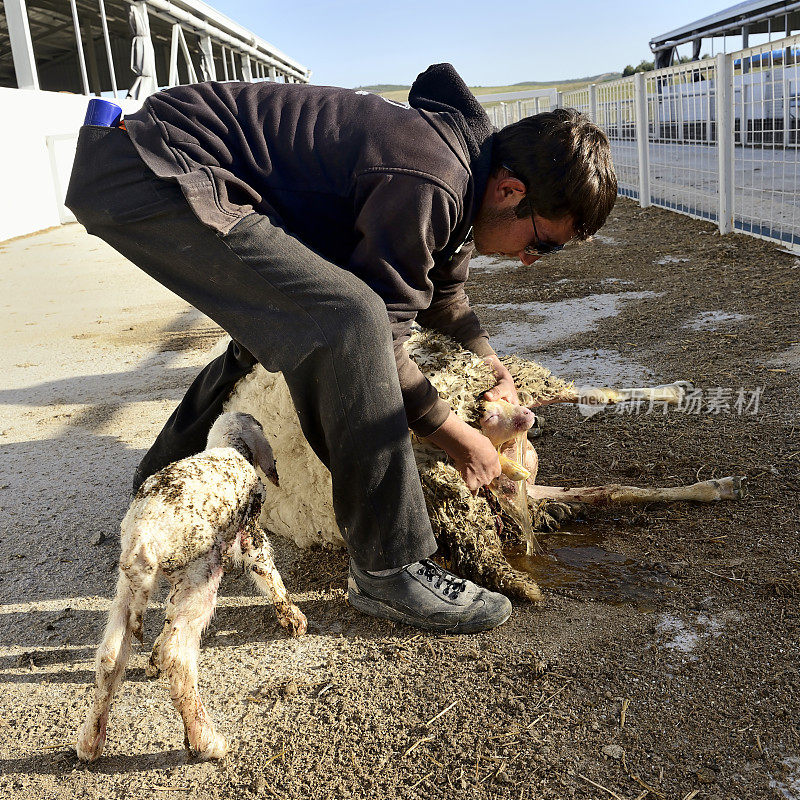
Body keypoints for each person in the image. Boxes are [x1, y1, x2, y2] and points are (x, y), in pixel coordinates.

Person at [66, 63, 617, 635]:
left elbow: (444, 294)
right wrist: (456, 435)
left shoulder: (464, 177)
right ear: (510, 191)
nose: (531, 260)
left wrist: (493, 367)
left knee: (282, 326)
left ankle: (157, 495)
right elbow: (381, 335)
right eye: (542, 244)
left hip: (152, 160)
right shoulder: (434, 178)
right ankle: (389, 566)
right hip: (152, 168)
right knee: (347, 320)